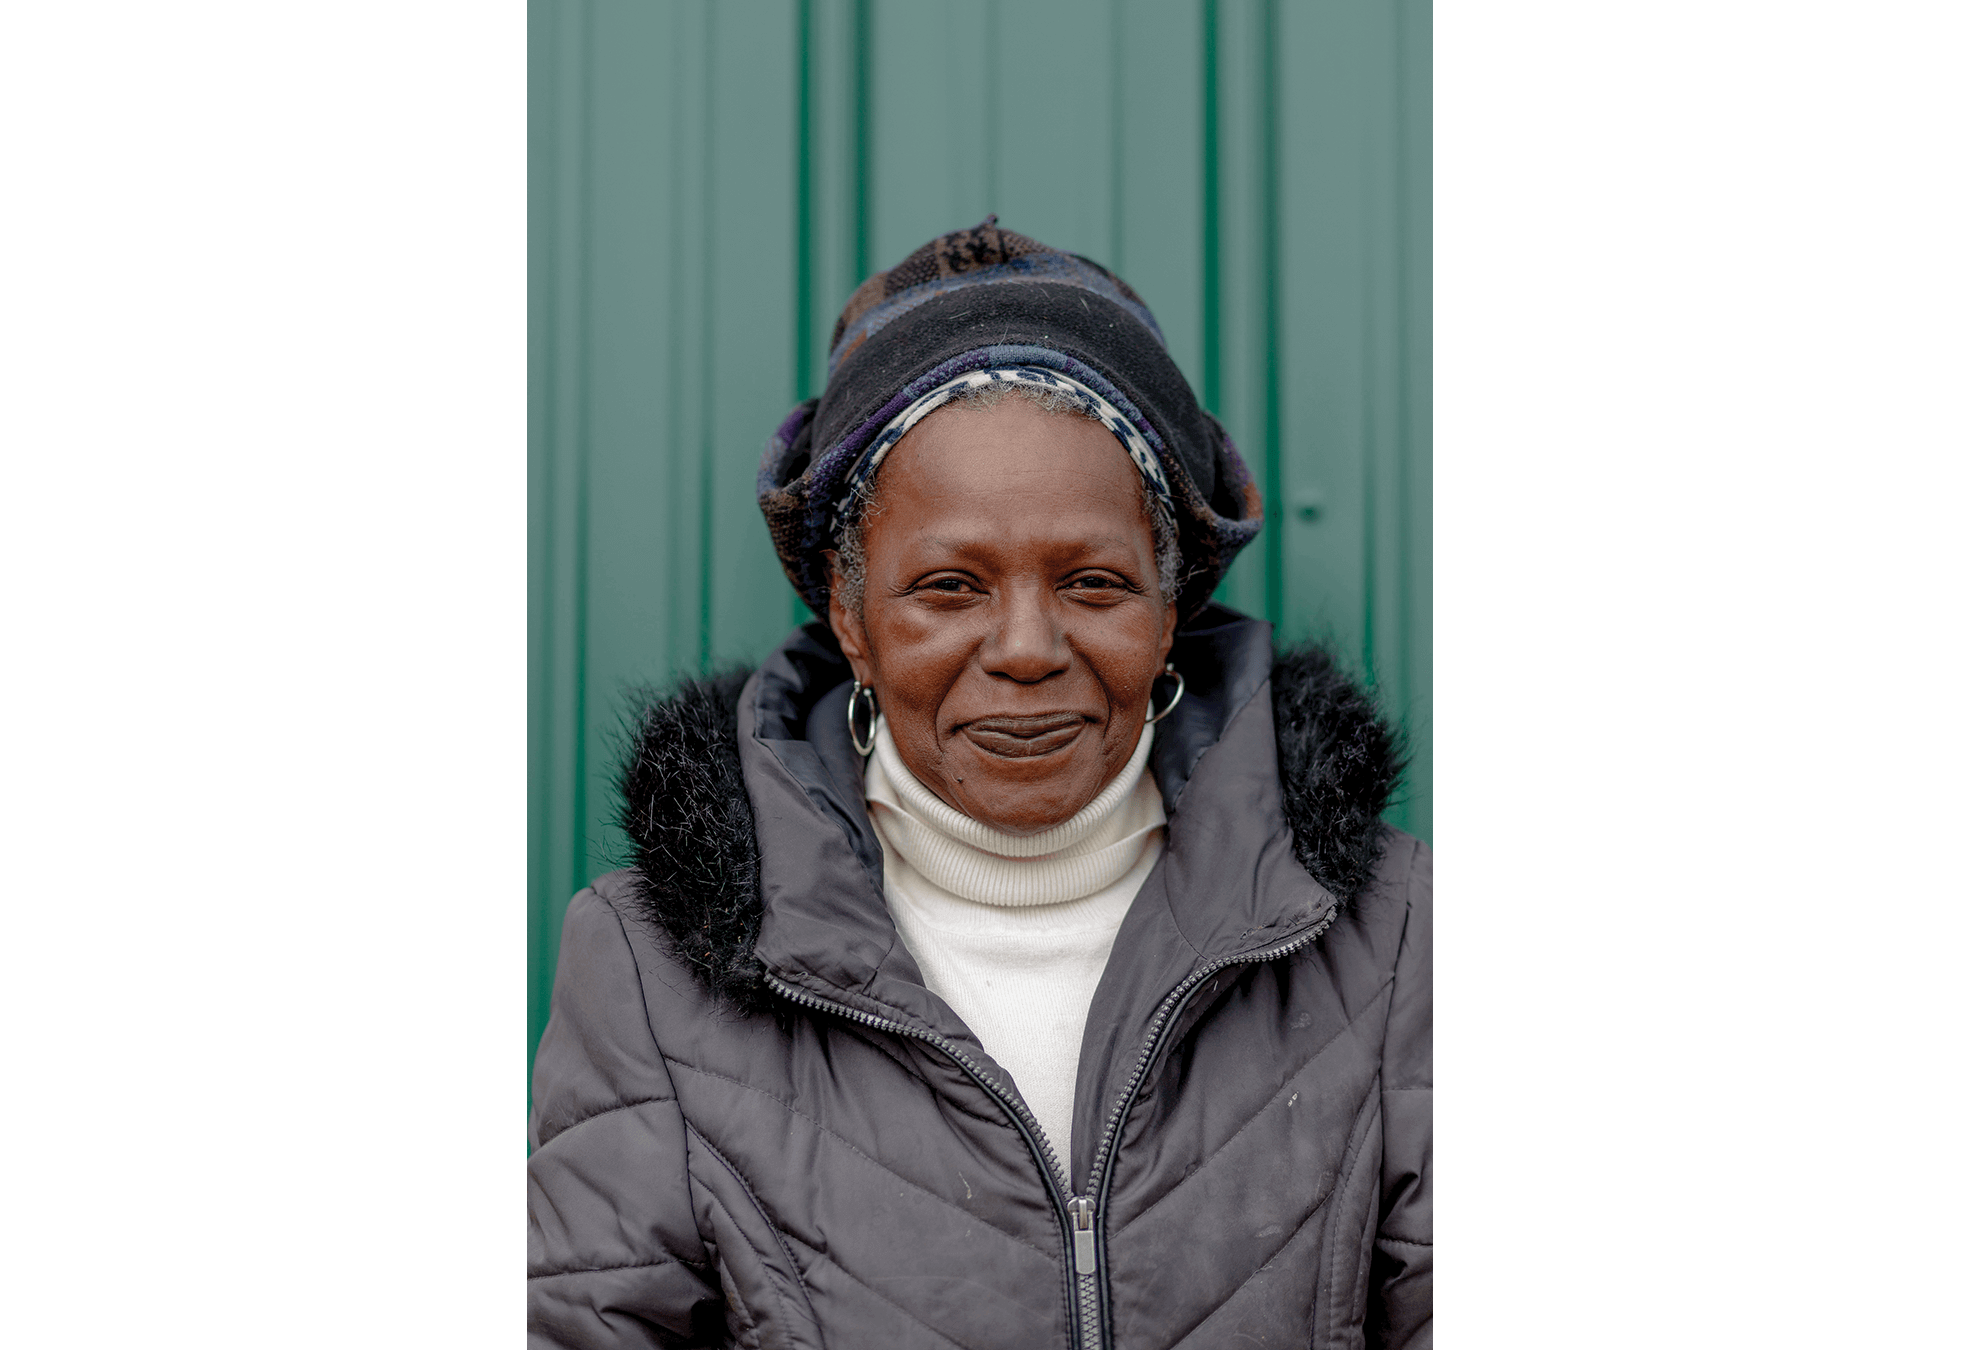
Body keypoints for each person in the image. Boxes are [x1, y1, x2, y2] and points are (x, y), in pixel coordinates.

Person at [528, 218, 1431, 1349]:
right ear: (849, 620)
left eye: (1095, 582)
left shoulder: (1394, 938)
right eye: (949, 586)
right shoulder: (646, 966)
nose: (1022, 648)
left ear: (1170, 611)